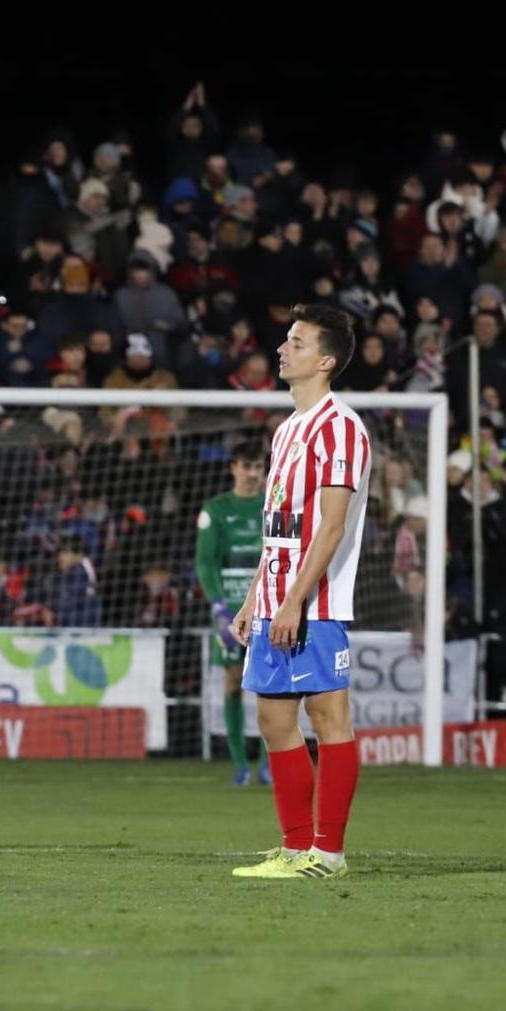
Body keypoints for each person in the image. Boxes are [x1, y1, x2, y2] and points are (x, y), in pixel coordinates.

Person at [229, 304, 371, 881]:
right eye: (286, 339)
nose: (283, 348)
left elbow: (332, 526)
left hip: (317, 602)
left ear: (326, 360)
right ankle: (294, 848)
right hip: (276, 599)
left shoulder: (340, 427)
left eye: (297, 341)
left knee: (328, 716)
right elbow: (280, 527)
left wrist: (294, 601)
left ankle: (328, 854)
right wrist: (255, 598)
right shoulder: (287, 430)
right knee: (272, 720)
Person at [197, 441, 270, 786]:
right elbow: (205, 562)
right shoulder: (216, 509)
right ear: (234, 468)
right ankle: (241, 764)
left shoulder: (273, 506)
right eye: (247, 466)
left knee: (273, 688)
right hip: (229, 611)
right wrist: (218, 606)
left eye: (258, 467)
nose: (253, 474)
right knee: (231, 685)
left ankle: (271, 765)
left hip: (268, 607)